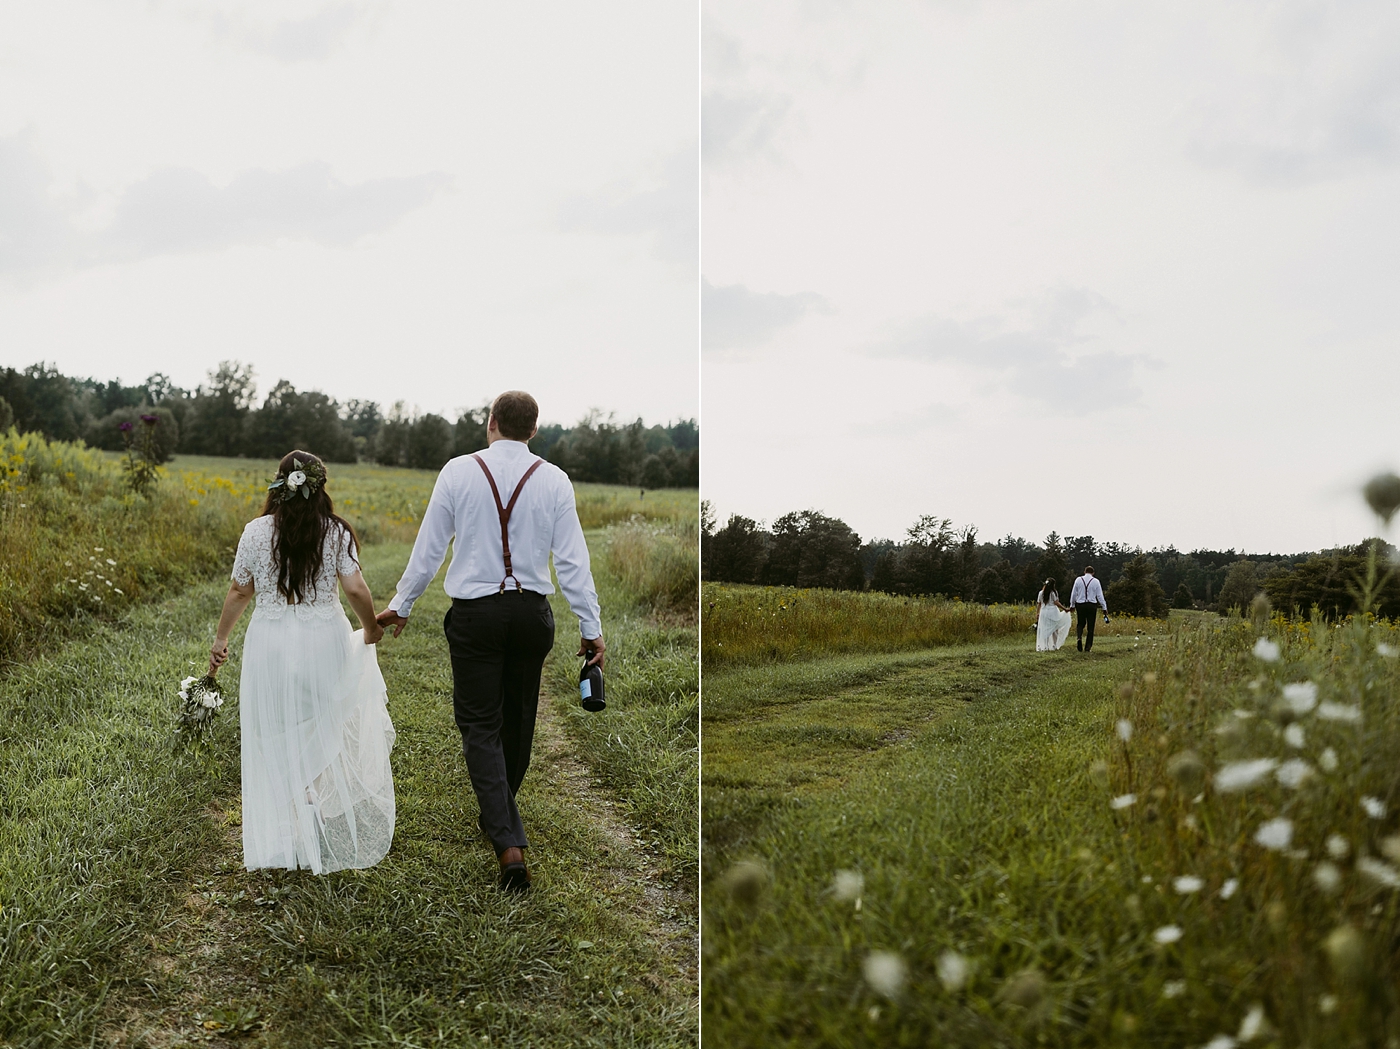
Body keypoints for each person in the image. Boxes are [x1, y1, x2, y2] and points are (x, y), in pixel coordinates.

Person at [375, 391, 603, 893]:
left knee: (481, 724)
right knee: (519, 718)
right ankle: (500, 815)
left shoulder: (457, 471)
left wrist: (403, 602)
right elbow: (572, 561)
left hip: (476, 617)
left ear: (492, 423)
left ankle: (507, 841)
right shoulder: (555, 479)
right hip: (531, 615)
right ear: (534, 431)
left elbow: (431, 546)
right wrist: (590, 625)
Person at [210, 451, 396, 874]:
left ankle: (292, 815)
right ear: (319, 487)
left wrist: (221, 639)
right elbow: (355, 588)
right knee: (321, 718)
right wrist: (370, 629)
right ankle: (311, 797)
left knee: (276, 726)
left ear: (279, 485)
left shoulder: (255, 532)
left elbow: (241, 592)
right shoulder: (336, 532)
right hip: (321, 639)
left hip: (270, 641)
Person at [1069, 565, 1109, 652]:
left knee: (1080, 623)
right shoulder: (1096, 581)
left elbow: (1073, 593)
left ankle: (1079, 637)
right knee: (1091, 626)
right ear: (1093, 573)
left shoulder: (1078, 580)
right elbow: (1100, 596)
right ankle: (1088, 647)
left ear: (1084, 572)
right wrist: (1104, 607)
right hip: (1091, 605)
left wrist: (1072, 605)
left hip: (1080, 604)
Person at [1034, 578, 1072, 651]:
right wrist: (1065, 609)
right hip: (1053, 611)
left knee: (1045, 629)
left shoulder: (1041, 593)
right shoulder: (1053, 593)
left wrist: (1037, 613)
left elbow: (1039, 604)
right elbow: (1056, 602)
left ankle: (1045, 645)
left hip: (1044, 611)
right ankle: (1054, 645)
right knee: (1055, 628)